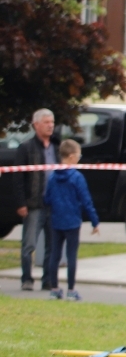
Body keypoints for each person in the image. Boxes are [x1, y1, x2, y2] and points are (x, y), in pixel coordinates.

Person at [42, 139, 99, 301]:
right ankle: (71, 290)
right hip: (72, 221)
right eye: (79, 156)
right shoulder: (77, 177)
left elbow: (47, 199)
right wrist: (95, 221)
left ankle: (54, 288)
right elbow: (86, 200)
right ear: (72, 157)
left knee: (55, 254)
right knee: (71, 255)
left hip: (56, 220)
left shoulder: (53, 177)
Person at [14, 108, 57, 292]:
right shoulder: (26, 148)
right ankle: (27, 279)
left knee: (51, 245)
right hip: (33, 204)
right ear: (36, 125)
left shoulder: (57, 146)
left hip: (53, 204)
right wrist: (21, 203)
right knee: (29, 244)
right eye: (46, 122)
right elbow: (17, 178)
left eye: (52, 122)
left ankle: (47, 280)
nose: (50, 126)